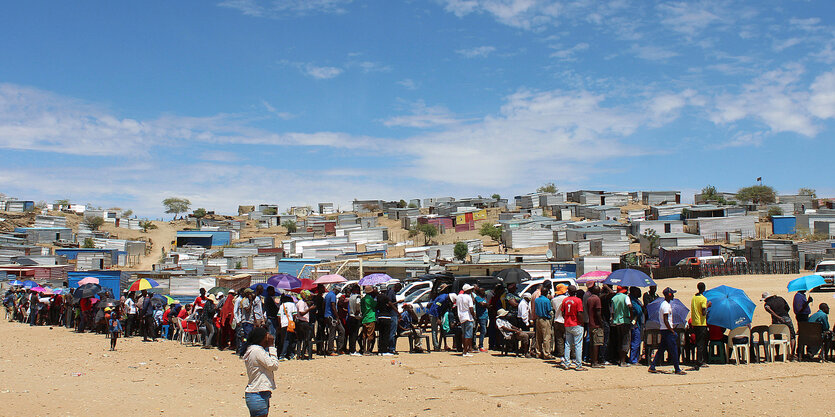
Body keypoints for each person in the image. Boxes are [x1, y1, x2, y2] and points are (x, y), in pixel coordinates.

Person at [241, 327, 279, 417]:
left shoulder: (253, 350)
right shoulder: (257, 351)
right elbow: (273, 365)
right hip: (258, 394)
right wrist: (272, 347)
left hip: (258, 392)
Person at [649, 287, 686, 375]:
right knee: (674, 349)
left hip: (664, 330)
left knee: (661, 349)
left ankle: (653, 366)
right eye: (672, 294)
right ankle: (677, 369)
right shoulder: (665, 305)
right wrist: (671, 330)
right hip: (667, 330)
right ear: (669, 295)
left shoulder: (665, 304)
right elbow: (666, 320)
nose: (673, 295)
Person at [762, 291, 796, 360]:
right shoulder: (781, 299)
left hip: (776, 321)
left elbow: (768, 309)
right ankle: (792, 354)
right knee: (792, 336)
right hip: (786, 318)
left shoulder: (767, 304)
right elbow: (788, 308)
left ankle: (777, 354)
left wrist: (778, 317)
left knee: (777, 337)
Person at [561, 285, 585, 371]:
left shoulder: (565, 300)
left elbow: (563, 313)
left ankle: (567, 363)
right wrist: (582, 323)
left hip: (568, 324)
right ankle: (578, 365)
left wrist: (567, 319)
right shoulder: (578, 300)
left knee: (567, 344)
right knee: (578, 345)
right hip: (576, 324)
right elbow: (579, 313)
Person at [689, 282, 712, 370]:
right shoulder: (703, 299)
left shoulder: (694, 298)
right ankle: (699, 361)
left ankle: (698, 360)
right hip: (701, 323)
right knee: (701, 343)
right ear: (704, 289)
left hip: (695, 323)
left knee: (698, 342)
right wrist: (708, 306)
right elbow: (703, 312)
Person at [611, 286, 631, 366]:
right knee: (625, 340)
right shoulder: (626, 297)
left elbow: (612, 311)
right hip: (625, 321)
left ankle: (620, 359)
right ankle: (623, 361)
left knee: (619, 340)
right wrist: (631, 315)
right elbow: (630, 306)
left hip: (616, 321)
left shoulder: (614, 298)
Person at [428, 286, 451, 352]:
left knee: (442, 329)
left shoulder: (445, 298)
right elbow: (435, 308)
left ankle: (443, 344)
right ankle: (436, 346)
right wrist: (437, 318)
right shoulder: (442, 298)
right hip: (434, 314)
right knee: (435, 330)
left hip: (439, 314)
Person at [585, 285, 603, 368]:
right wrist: (601, 323)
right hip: (596, 324)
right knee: (596, 343)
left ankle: (592, 360)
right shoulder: (597, 299)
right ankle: (595, 362)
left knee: (592, 343)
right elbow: (598, 312)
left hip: (590, 323)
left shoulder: (589, 299)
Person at [324, 285, 345, 356]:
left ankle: (339, 348)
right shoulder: (332, 295)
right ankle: (330, 350)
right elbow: (333, 306)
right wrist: (337, 317)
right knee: (332, 333)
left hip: (328, 315)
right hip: (332, 317)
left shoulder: (327, 295)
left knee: (341, 330)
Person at [534, 287, 554, 360]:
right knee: (546, 337)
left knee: (538, 337)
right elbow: (549, 310)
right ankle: (547, 353)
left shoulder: (537, 300)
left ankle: (538, 352)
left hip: (538, 319)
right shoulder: (547, 300)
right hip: (545, 319)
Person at [457, 284, 476, 357]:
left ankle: (464, 350)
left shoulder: (459, 296)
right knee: (468, 335)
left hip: (461, 317)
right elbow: (471, 308)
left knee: (464, 334)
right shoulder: (468, 297)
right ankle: (465, 351)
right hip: (468, 317)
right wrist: (474, 316)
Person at [295, 290, 315, 360]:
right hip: (302, 322)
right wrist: (310, 309)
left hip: (302, 322)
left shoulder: (303, 302)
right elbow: (301, 313)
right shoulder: (301, 303)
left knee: (301, 339)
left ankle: (300, 354)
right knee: (306, 339)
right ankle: (303, 355)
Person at [277, 294, 297, 360]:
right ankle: (282, 355)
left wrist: (280, 325)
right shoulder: (292, 305)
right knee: (288, 339)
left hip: (283, 324)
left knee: (285, 339)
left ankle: (290, 354)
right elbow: (294, 314)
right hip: (289, 324)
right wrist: (293, 321)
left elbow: (279, 316)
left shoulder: (282, 305)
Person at [628, 287, 644, 365]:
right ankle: (633, 359)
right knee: (635, 342)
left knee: (638, 341)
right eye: (638, 291)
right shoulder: (632, 301)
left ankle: (636, 358)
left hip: (638, 323)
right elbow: (638, 311)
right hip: (635, 324)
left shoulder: (636, 300)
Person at [360, 286, 377, 355]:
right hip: (371, 317)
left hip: (365, 318)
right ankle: (368, 350)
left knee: (364, 335)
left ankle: (364, 349)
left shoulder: (363, 299)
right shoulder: (370, 299)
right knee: (370, 335)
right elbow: (375, 305)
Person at [347, 285, 362, 355]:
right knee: (354, 334)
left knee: (351, 334)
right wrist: (358, 310)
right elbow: (358, 303)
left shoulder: (350, 297)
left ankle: (351, 349)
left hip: (350, 316)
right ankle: (353, 350)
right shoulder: (357, 297)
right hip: (355, 317)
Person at [474, 287, 489, 352]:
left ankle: (481, 345)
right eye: (482, 291)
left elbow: (486, 304)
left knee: (484, 331)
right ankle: (480, 345)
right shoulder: (477, 298)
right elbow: (482, 304)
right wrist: (486, 304)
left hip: (485, 316)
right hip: (481, 317)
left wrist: (486, 304)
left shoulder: (484, 298)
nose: (484, 292)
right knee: (483, 331)